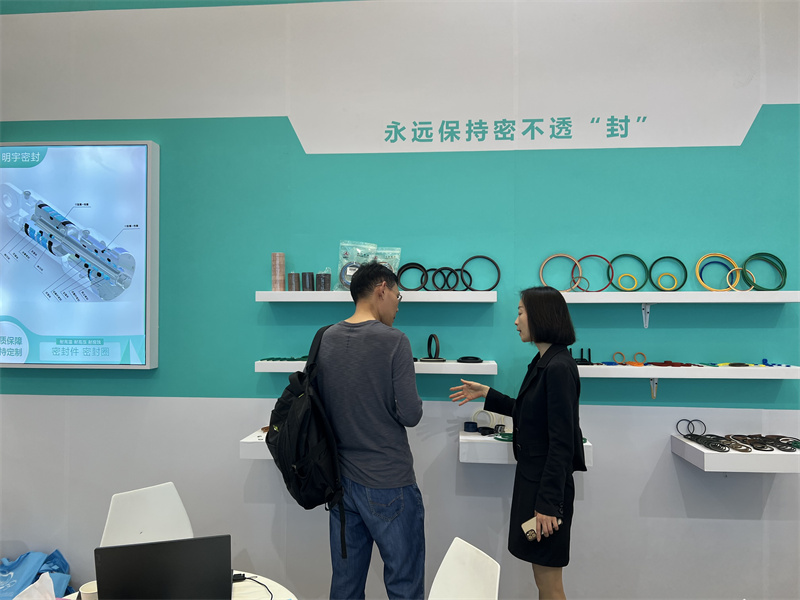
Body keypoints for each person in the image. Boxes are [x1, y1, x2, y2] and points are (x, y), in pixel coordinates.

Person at [450, 285, 586, 600]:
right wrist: (487, 393)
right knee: (542, 578)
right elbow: (530, 413)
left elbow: (562, 443)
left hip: (545, 491)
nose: (516, 321)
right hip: (533, 483)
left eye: (521, 312)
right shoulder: (545, 361)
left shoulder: (558, 367)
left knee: (549, 583)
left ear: (541, 316)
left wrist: (548, 503)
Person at [316, 261, 425, 600]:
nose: (397, 306)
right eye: (398, 296)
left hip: (341, 483)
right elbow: (411, 414)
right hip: (389, 480)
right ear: (382, 289)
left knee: (346, 586)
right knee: (404, 585)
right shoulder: (395, 341)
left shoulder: (326, 338)